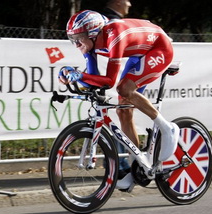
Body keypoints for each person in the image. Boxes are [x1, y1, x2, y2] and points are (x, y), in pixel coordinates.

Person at [58, 10, 180, 192]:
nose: (76, 44)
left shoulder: (115, 35)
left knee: (124, 89)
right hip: (139, 54)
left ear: (93, 34)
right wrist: (74, 76)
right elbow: (93, 77)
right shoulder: (89, 45)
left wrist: (78, 75)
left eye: (79, 38)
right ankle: (138, 167)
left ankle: (166, 127)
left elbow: (108, 81)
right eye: (72, 39)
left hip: (158, 48)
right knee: (123, 111)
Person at [101, 0, 132, 181]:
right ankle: (120, 166)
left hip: (113, 75)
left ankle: (119, 165)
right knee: (119, 118)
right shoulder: (113, 22)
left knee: (116, 119)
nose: (130, 3)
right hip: (116, 75)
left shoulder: (106, 19)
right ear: (118, 2)